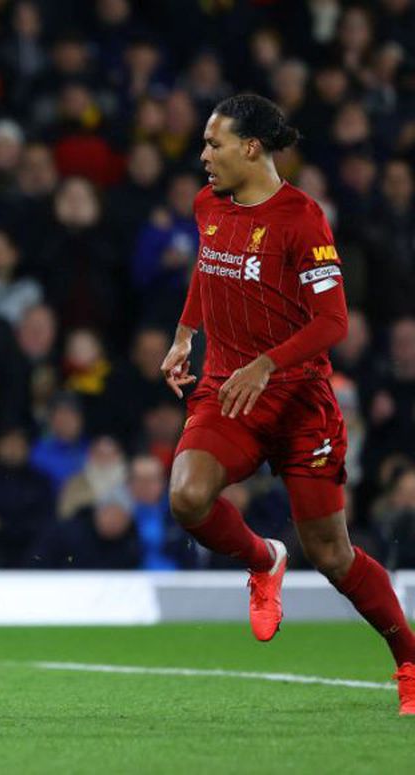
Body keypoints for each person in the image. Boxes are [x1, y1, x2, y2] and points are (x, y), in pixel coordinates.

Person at [160, 94, 415, 715]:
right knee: (187, 496)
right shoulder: (207, 206)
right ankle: (263, 558)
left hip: (300, 402)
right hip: (229, 391)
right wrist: (185, 335)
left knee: (331, 553)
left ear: (252, 148)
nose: (203, 157)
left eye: (213, 144)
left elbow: (334, 322)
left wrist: (268, 361)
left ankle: (408, 660)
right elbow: (209, 267)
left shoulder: (302, 219)